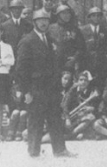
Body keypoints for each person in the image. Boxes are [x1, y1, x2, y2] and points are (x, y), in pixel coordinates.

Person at [15, 8, 75, 158]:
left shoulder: (50, 39)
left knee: (55, 120)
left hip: (52, 88)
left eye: (46, 20)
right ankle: (34, 152)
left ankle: (60, 150)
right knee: (35, 121)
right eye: (40, 20)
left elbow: (56, 63)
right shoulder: (27, 41)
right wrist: (26, 91)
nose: (43, 23)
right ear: (34, 22)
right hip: (36, 89)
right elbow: (21, 69)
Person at [49, 5, 86, 73]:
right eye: (64, 13)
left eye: (68, 13)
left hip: (69, 64)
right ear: (58, 15)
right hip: (54, 64)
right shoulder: (50, 28)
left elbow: (81, 47)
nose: (67, 15)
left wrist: (74, 58)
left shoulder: (74, 29)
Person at [62, 70, 98, 140]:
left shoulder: (91, 91)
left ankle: (70, 135)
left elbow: (96, 106)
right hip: (71, 116)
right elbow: (65, 105)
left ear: (88, 82)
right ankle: (77, 134)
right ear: (77, 81)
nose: (83, 82)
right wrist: (67, 119)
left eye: (85, 80)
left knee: (91, 118)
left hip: (83, 116)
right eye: (81, 80)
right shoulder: (72, 90)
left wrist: (92, 108)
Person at [81, 7, 107, 86]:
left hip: (101, 64)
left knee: (100, 86)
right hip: (87, 63)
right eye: (93, 15)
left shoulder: (105, 30)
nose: (96, 18)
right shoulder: (82, 30)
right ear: (89, 17)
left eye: (98, 16)